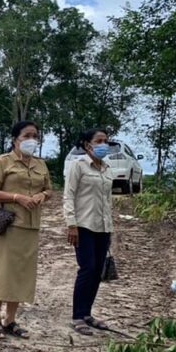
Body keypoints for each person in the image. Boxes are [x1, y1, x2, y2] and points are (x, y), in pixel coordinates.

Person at [0, 120, 52, 339]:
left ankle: (10, 320)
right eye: (27, 136)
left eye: (35, 136)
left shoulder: (40, 164)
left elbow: (49, 190)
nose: (32, 140)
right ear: (15, 140)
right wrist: (17, 197)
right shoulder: (3, 161)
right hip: (8, 225)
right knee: (3, 272)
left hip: (30, 226)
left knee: (21, 274)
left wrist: (42, 195)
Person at [63, 128, 114, 335]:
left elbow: (108, 200)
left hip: (103, 227)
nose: (104, 145)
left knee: (97, 270)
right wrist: (71, 224)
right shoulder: (78, 165)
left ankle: (87, 314)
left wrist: (110, 227)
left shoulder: (107, 168)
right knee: (87, 268)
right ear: (87, 145)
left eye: (106, 141)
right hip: (83, 226)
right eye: (99, 141)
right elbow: (69, 195)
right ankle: (77, 316)